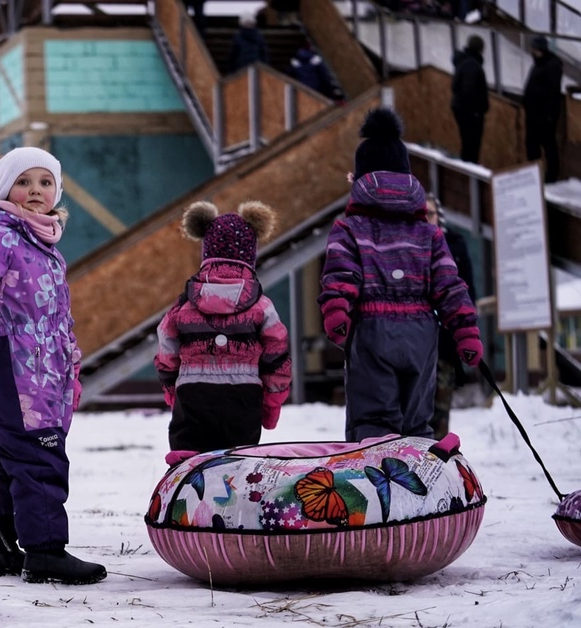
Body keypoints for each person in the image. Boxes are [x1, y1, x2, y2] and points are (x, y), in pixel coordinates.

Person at [0, 146, 106, 586]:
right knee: (39, 455)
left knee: (12, 456)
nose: (35, 191)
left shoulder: (43, 242)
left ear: (57, 190)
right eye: (24, 182)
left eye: (45, 182)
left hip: (44, 368)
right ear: (4, 189)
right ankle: (46, 551)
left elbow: (60, 320)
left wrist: (70, 371)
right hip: (13, 362)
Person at [319, 108, 482, 441]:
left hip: (372, 333)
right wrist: (465, 330)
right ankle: (417, 486)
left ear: (361, 178)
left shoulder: (349, 228)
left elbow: (340, 274)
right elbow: (450, 285)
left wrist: (337, 312)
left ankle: (377, 487)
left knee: (374, 424)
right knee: (417, 423)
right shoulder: (429, 234)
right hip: (421, 336)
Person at [156, 201, 293, 454]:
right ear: (250, 255)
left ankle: (185, 489)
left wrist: (173, 393)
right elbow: (277, 356)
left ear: (206, 253)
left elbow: (167, 348)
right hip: (243, 399)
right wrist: (271, 405)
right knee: (237, 468)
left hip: (193, 394)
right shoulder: (261, 307)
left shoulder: (184, 306)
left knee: (188, 464)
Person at [426, 194, 479, 438]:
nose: (426, 219)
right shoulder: (409, 249)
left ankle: (437, 466)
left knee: (440, 411)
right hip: (414, 342)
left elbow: (467, 293)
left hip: (444, 346)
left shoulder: (454, 247)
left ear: (439, 217)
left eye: (430, 213)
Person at [524, 35, 564, 183]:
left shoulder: (551, 66)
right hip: (533, 113)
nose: (532, 52)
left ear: (540, 50)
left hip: (544, 114)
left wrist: (550, 114)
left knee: (548, 144)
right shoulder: (538, 64)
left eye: (534, 49)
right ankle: (534, 174)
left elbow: (553, 92)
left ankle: (551, 175)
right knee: (531, 145)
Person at [450, 35, 489, 164]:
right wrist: (476, 111)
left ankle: (467, 169)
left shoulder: (465, 61)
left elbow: (457, 87)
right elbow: (469, 90)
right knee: (471, 144)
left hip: (462, 108)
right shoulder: (472, 65)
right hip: (470, 111)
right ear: (480, 49)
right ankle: (470, 171)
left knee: (467, 142)